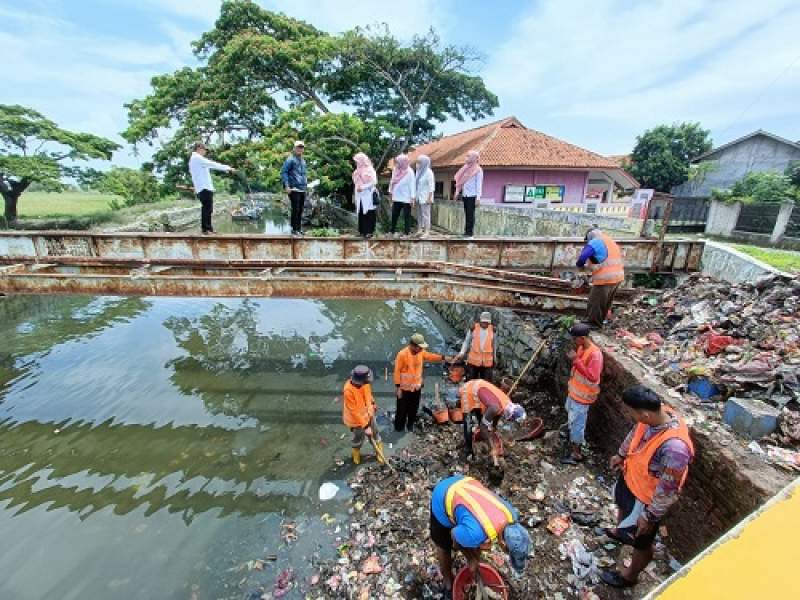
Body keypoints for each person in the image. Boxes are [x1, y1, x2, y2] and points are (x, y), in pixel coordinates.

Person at [601, 385, 694, 589]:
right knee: (622, 507)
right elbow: (634, 433)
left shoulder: (675, 449)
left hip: (647, 499)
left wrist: (650, 516)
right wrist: (621, 454)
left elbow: (668, 488)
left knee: (642, 541)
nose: (629, 415)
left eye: (630, 412)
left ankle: (629, 576)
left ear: (644, 413)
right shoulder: (652, 417)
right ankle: (620, 532)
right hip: (631, 481)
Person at [430, 475, 531, 598]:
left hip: (463, 483)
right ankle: (447, 581)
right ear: (503, 544)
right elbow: (454, 536)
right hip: (442, 495)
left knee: (471, 538)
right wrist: (471, 558)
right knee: (443, 544)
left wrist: (475, 555)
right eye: (507, 552)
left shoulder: (511, 514)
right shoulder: (476, 534)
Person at [460, 378, 525, 481]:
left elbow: (498, 414)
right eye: (512, 420)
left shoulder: (508, 404)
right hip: (469, 390)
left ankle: (478, 435)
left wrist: (493, 428)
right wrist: (492, 447)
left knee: (482, 417)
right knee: (468, 423)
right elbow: (483, 427)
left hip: (482, 392)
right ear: (511, 416)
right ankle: (468, 450)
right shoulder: (494, 407)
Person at [561, 323, 604, 465]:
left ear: (583, 338)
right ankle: (570, 436)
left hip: (583, 397)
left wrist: (575, 360)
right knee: (571, 416)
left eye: (575, 338)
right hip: (574, 392)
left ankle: (576, 454)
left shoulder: (595, 355)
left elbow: (593, 376)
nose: (573, 341)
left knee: (577, 425)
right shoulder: (581, 347)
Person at [393, 333, 450, 432]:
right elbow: (397, 371)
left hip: (416, 388)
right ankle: (399, 427)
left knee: (413, 408)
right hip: (404, 389)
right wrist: (398, 388)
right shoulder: (402, 354)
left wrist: (443, 357)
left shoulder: (421, 352)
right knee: (401, 410)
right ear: (413, 345)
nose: (421, 349)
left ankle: (410, 424)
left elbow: (430, 356)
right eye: (419, 347)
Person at [576, 226, 625, 328]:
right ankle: (599, 323)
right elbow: (602, 259)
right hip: (618, 277)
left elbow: (582, 257)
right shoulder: (609, 241)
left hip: (606, 278)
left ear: (590, 236)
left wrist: (580, 267)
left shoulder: (595, 242)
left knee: (595, 301)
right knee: (605, 302)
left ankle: (593, 323)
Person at [188, 142, 236, 234]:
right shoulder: (197, 158)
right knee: (207, 208)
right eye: (205, 150)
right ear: (199, 148)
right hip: (204, 188)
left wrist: (227, 170)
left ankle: (208, 229)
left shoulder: (194, 160)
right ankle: (206, 229)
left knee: (207, 208)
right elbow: (213, 164)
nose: (205, 152)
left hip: (202, 187)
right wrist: (228, 168)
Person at [342, 365, 384, 465]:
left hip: (369, 414)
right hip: (356, 421)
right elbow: (354, 411)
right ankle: (355, 453)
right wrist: (365, 426)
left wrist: (373, 403)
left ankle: (379, 451)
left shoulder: (365, 383)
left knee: (375, 433)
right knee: (358, 438)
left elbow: (368, 394)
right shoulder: (348, 391)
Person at [454, 311, 496, 382]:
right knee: (470, 381)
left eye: (487, 323)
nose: (485, 324)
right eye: (483, 322)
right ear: (480, 321)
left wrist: (494, 358)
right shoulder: (473, 328)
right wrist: (462, 353)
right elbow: (466, 342)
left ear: (489, 322)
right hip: (473, 362)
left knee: (485, 383)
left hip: (487, 364)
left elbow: (494, 345)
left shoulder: (493, 330)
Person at [280, 140, 308, 236]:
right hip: (293, 188)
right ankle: (294, 229)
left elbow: (303, 174)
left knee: (300, 209)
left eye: (301, 147)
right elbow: (283, 172)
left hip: (302, 188)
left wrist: (307, 184)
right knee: (295, 209)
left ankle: (299, 228)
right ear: (294, 148)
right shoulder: (290, 160)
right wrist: (287, 186)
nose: (300, 149)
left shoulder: (303, 161)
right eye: (298, 147)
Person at [453, 150, 483, 238]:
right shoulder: (465, 168)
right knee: (466, 213)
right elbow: (460, 181)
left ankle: (469, 233)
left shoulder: (478, 170)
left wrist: (478, 198)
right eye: (467, 156)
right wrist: (457, 192)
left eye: (469, 156)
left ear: (474, 158)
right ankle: (466, 231)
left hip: (472, 196)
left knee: (470, 214)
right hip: (465, 195)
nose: (467, 158)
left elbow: (479, 185)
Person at [389, 154, 415, 236]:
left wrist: (412, 198)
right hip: (396, 197)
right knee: (394, 215)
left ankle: (407, 232)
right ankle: (392, 230)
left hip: (406, 198)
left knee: (406, 216)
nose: (397, 163)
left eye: (398, 162)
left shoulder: (410, 171)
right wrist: (390, 192)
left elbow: (412, 185)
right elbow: (392, 181)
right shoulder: (395, 170)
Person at [352, 152, 378, 238]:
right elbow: (355, 184)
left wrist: (363, 187)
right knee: (361, 213)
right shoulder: (356, 171)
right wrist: (355, 195)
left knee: (369, 213)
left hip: (368, 194)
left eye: (357, 161)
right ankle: (362, 231)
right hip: (360, 195)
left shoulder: (370, 169)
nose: (356, 163)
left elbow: (374, 182)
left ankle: (369, 232)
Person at [415, 154, 435, 237]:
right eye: (417, 162)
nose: (417, 164)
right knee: (419, 214)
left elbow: (431, 186)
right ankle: (419, 229)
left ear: (424, 163)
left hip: (426, 197)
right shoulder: (418, 172)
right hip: (419, 197)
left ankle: (427, 231)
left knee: (426, 215)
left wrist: (429, 198)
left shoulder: (429, 172)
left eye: (419, 162)